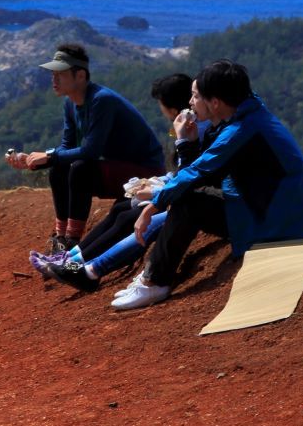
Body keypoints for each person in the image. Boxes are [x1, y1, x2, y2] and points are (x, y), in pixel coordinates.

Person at [111, 59, 303, 311]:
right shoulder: (248, 113)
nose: (190, 103)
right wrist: (187, 143)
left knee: (189, 203)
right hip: (288, 215)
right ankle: (152, 275)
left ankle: (154, 281)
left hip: (278, 225)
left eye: (195, 96)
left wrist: (152, 206)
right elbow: (204, 170)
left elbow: (199, 172)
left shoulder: (240, 131)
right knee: (190, 197)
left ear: (215, 103)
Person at [43, 73, 213, 292]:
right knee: (122, 207)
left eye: (195, 96)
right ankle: (72, 259)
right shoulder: (191, 125)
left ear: (170, 109)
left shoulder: (195, 129)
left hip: (188, 198)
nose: (192, 102)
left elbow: (191, 173)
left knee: (128, 216)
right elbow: (184, 171)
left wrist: (156, 190)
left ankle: (82, 267)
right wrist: (157, 182)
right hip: (177, 187)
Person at [6, 43, 164, 254]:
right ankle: (60, 238)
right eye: (53, 74)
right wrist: (33, 161)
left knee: (80, 169)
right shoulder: (71, 103)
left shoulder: (101, 101)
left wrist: (49, 156)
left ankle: (72, 241)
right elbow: (67, 148)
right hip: (120, 170)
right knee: (59, 169)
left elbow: (90, 151)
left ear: (80, 76)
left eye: (59, 74)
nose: (54, 80)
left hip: (147, 174)